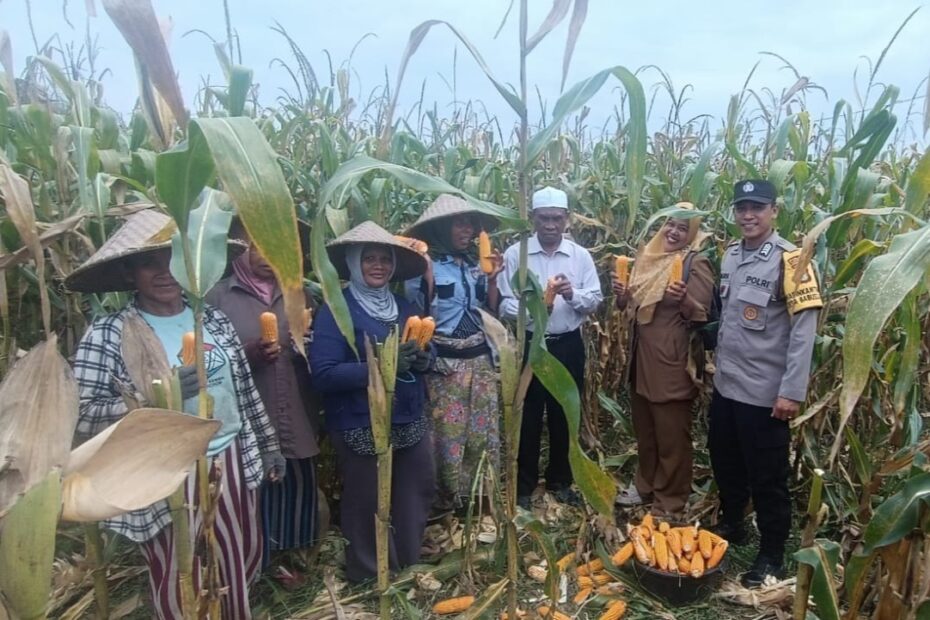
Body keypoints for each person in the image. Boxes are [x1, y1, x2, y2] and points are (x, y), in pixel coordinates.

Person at [68, 209, 283, 619]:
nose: (164, 272)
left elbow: (243, 391)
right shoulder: (110, 332)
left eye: (173, 259)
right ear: (130, 273)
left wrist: (269, 445)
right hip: (167, 469)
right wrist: (154, 398)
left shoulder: (212, 320)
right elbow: (82, 414)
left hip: (229, 460)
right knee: (179, 567)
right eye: (149, 262)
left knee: (235, 556)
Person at [709, 180, 822, 587]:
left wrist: (791, 392)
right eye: (741, 207)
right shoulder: (730, 255)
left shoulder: (793, 261)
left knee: (768, 477)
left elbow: (803, 331)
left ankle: (772, 552)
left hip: (764, 393)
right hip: (726, 386)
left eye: (757, 207)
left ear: (774, 210)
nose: (748, 215)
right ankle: (733, 524)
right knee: (725, 461)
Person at [308, 221, 435, 583]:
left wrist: (426, 358)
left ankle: (407, 562)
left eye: (384, 259)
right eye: (369, 260)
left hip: (408, 416)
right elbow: (324, 374)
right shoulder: (336, 310)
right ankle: (370, 573)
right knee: (367, 500)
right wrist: (382, 366)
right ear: (352, 264)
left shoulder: (402, 304)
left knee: (415, 489)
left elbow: (424, 348)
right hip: (360, 420)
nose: (378, 266)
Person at [206, 219, 322, 571]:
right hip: (248, 408)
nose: (265, 257)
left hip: (297, 405)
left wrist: (310, 348)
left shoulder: (301, 294)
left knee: (298, 481)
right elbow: (206, 359)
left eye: (274, 249)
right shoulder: (218, 297)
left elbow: (322, 346)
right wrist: (247, 354)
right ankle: (256, 562)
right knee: (254, 485)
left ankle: (296, 560)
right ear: (240, 248)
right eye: (256, 247)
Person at [497, 187, 603, 507]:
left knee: (564, 414)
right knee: (528, 416)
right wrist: (535, 309)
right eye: (544, 218)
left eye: (557, 218)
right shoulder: (516, 254)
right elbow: (504, 304)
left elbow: (595, 300)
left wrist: (572, 295)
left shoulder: (580, 256)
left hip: (567, 345)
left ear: (567, 219)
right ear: (532, 219)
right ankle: (524, 487)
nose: (550, 225)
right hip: (531, 344)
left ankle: (561, 480)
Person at [403, 194, 504, 516]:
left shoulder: (474, 264)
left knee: (481, 433)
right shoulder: (421, 265)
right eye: (461, 223)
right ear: (441, 227)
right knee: (446, 438)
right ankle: (446, 503)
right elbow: (417, 315)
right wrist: (428, 276)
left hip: (480, 359)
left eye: (472, 224)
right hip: (445, 366)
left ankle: (479, 501)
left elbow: (489, 310)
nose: (470, 230)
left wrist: (492, 280)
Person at [613, 205, 715, 520]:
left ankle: (670, 500)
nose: (673, 232)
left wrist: (684, 298)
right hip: (641, 359)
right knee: (645, 429)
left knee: (671, 434)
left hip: (672, 362)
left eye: (682, 229)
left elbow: (703, 315)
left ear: (692, 234)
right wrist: (621, 296)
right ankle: (645, 485)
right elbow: (631, 307)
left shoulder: (694, 263)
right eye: (670, 224)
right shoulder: (648, 258)